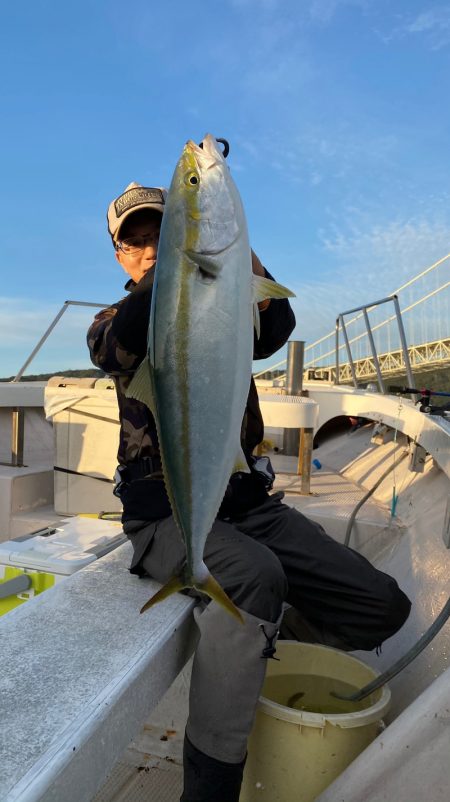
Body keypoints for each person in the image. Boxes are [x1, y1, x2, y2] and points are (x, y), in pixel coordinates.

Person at [87, 182, 411, 802]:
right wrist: (180, 272)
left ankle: (259, 645)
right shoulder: (114, 323)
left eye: (163, 231)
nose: (152, 247)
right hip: (168, 515)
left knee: (382, 606)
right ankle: (208, 790)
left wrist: (242, 265)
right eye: (138, 239)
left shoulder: (224, 301)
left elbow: (272, 329)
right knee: (255, 576)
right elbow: (111, 346)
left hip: (249, 504)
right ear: (119, 254)